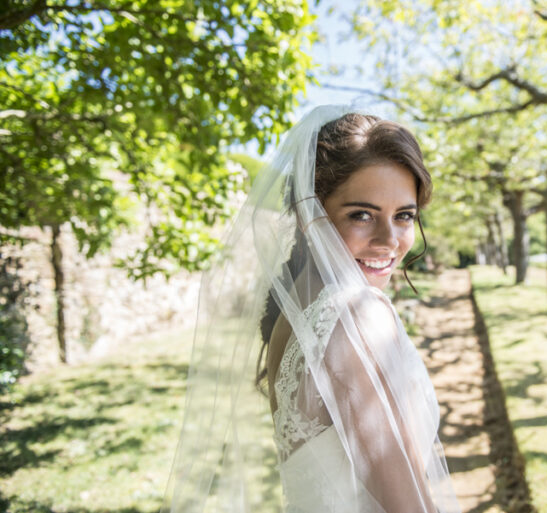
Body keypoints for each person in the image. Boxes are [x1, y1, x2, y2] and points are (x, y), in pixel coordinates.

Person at [163, 105, 460, 513]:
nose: (389, 240)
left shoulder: (295, 315)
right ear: (309, 215)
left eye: (404, 216)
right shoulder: (355, 313)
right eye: (361, 215)